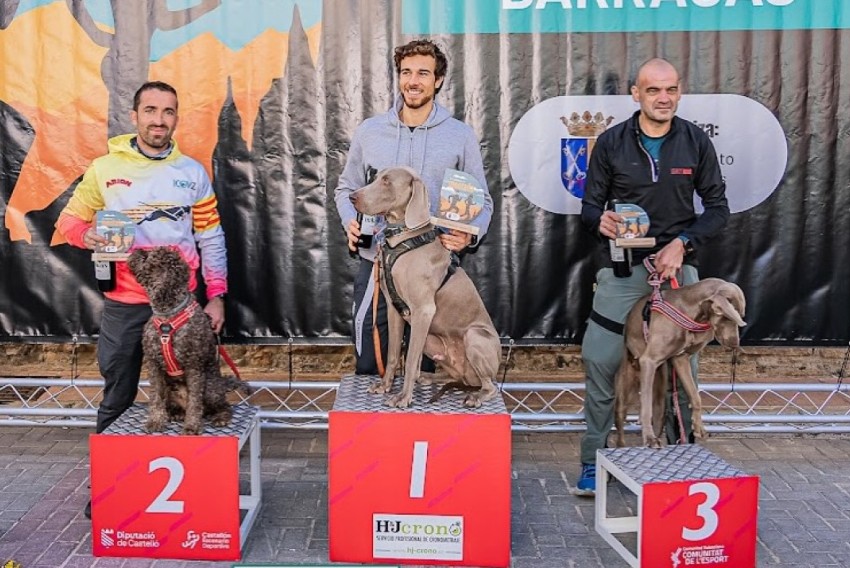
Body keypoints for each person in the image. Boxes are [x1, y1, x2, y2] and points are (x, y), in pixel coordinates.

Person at [55, 80, 227, 516]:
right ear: (134, 116)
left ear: (176, 118)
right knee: (118, 393)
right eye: (150, 110)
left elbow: (211, 236)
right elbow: (69, 221)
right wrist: (86, 234)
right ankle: (108, 490)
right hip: (126, 305)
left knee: (190, 393)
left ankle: (190, 493)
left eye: (168, 112)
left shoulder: (191, 172)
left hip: (184, 309)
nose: (158, 120)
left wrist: (217, 295)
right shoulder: (104, 168)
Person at [576, 58, 730, 495]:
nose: (663, 98)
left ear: (679, 92)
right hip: (623, 268)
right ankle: (594, 460)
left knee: (684, 370)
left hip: (680, 271)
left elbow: (718, 210)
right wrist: (600, 222)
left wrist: (683, 242)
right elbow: (589, 208)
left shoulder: (695, 141)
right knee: (601, 360)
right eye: (653, 90)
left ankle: (682, 460)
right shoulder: (611, 142)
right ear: (635, 94)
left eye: (671, 90)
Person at [334, 39, 493, 375]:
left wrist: (469, 236)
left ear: (437, 80)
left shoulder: (459, 135)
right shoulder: (371, 131)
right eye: (406, 72)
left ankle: (419, 421)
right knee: (370, 366)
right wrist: (351, 221)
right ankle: (373, 426)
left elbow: (483, 201)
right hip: (377, 263)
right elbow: (346, 188)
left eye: (423, 73)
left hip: (432, 270)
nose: (413, 81)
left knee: (423, 370)